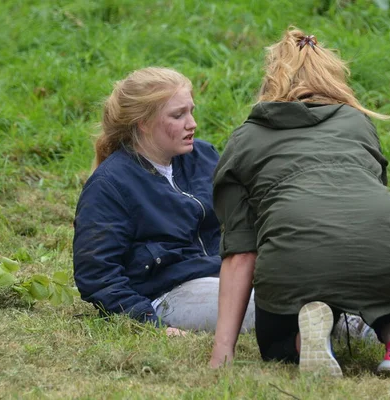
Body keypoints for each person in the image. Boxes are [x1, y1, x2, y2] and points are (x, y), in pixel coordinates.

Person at [209, 28, 390, 377]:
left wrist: (223, 351)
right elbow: (371, 202)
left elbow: (240, 252)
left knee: (276, 344)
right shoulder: (358, 122)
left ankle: (301, 340)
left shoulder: (245, 139)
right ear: (333, 75)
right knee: (376, 263)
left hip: (296, 263)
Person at [73, 67, 254, 335]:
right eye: (178, 115)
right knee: (266, 308)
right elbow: (97, 274)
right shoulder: (110, 185)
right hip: (171, 293)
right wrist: (148, 321)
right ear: (143, 123)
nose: (191, 123)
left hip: (224, 273)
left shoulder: (202, 156)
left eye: (191, 111)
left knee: (301, 288)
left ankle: (325, 329)